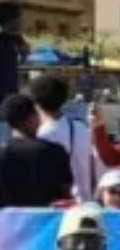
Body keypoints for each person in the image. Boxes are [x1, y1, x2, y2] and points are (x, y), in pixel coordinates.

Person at [29, 75, 100, 204]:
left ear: (36, 103)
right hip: (86, 202)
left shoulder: (41, 135)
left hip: (60, 208)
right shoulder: (82, 128)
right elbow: (92, 170)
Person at [0, 93, 72, 207]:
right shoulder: (55, 152)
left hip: (9, 223)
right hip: (48, 222)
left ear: (8, 123)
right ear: (33, 116)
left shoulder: (2, 154)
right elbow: (66, 195)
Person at [0, 1, 23, 98]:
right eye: (18, 17)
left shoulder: (12, 41)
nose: (21, 21)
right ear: (11, 20)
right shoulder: (4, 44)